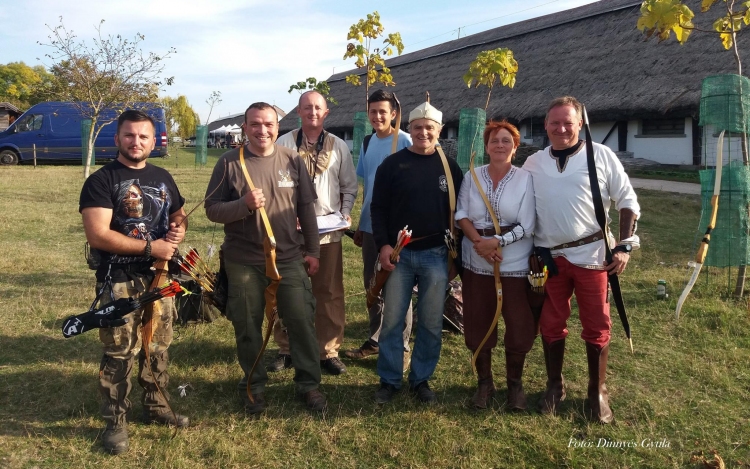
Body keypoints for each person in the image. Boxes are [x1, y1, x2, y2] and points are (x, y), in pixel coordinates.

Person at [523, 96, 640, 423]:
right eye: (555, 123)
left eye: (568, 122)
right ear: (545, 125)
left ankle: (596, 391)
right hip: (550, 258)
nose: (561, 128)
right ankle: (554, 384)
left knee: (596, 325)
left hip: (593, 257)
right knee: (550, 322)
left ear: (579, 125)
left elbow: (627, 199)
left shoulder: (599, 155)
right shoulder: (533, 163)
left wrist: (625, 245)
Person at [79, 109, 189, 455]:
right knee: (120, 351)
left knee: (157, 345)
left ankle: (157, 406)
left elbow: (178, 214)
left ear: (153, 141)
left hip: (160, 277)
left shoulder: (162, 175)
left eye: (143, 136)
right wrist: (149, 246)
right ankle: (115, 421)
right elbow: (98, 234)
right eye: (129, 135)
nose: (136, 141)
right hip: (120, 281)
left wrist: (177, 230)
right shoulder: (101, 180)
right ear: (118, 139)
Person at [204, 102, 326, 414]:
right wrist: (242, 205)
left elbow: (306, 211)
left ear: (277, 127)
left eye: (269, 124)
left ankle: (309, 384)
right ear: (245, 128)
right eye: (255, 124)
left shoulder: (291, 160)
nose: (263, 130)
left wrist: (312, 251)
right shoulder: (230, 163)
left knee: (300, 320)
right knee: (247, 325)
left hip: (288, 257)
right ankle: (254, 385)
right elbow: (212, 209)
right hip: (243, 259)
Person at [370, 100, 463, 404]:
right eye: (418, 127)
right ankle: (390, 378)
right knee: (393, 320)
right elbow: (378, 208)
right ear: (409, 129)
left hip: (436, 254)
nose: (424, 133)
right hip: (399, 256)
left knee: (432, 322)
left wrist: (455, 257)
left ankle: (421, 378)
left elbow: (460, 212)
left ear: (440, 130)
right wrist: (384, 245)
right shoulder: (393, 165)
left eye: (430, 128)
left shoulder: (449, 167)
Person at [269, 90, 357, 376]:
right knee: (285, 290)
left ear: (326, 112)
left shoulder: (339, 146)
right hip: (290, 233)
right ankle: (286, 348)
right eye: (307, 108)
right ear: (299, 111)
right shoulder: (283, 143)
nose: (313, 112)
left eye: (318, 108)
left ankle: (327, 350)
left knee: (328, 291)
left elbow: (349, 186)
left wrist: (344, 214)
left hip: (327, 232)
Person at [455, 120, 539, 410]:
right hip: (476, 258)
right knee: (478, 321)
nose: (499, 145)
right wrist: (480, 242)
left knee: (518, 324)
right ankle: (484, 383)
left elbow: (527, 224)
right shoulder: (472, 176)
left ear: (515, 148)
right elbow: (462, 213)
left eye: (506, 141)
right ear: (486, 146)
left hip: (513, 261)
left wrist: (497, 243)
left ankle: (515, 385)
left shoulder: (524, 178)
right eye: (494, 141)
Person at [345, 89, 413, 363]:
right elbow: (368, 187)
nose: (377, 116)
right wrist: (361, 223)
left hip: (397, 230)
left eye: (383, 111)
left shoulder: (406, 141)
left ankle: (402, 346)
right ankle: (375, 338)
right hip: (371, 225)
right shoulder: (366, 142)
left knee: (398, 285)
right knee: (372, 284)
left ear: (394, 113)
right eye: (373, 111)